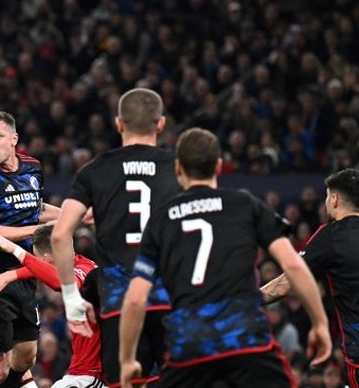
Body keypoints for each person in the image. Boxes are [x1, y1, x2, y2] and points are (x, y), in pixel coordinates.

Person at [119, 128, 332, 388]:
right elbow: (292, 265)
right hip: (246, 341)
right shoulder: (246, 204)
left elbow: (135, 299)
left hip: (190, 346)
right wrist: (320, 323)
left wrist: (127, 359)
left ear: (178, 168)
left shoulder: (161, 219)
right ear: (219, 166)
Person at [50, 88, 180, 386]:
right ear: (160, 124)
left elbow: (59, 235)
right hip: (170, 296)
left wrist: (71, 298)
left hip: (119, 300)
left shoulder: (95, 171)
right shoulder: (178, 168)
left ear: (119, 123)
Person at [0, 111, 61, 388]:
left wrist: (70, 215)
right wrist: (37, 231)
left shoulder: (33, 167)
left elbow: (35, 208)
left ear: (14, 139)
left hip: (25, 276)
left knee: (25, 358)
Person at [261, 168, 359, 386]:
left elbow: (289, 281)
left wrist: (248, 301)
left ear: (334, 199)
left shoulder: (331, 236)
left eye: (326, 196)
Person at [0, 225, 103, 388]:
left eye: (37, 260)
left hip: (92, 377)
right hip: (80, 375)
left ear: (47, 260)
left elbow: (60, 281)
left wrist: (16, 250)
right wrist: (8, 276)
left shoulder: (84, 273)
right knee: (22, 373)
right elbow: (41, 271)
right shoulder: (84, 263)